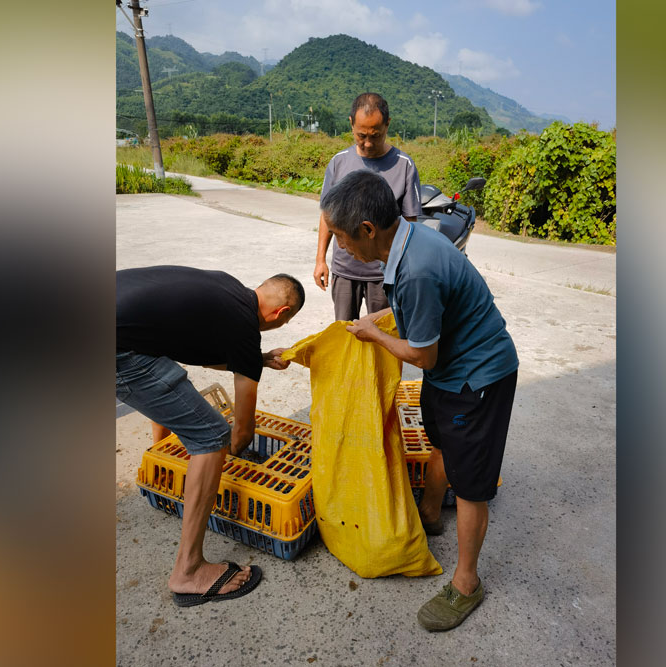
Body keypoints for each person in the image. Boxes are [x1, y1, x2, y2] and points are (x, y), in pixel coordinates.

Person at [320, 170, 519, 631]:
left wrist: (374, 333)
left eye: (341, 238)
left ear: (367, 229)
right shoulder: (408, 239)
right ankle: (430, 512)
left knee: (470, 487)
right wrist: (379, 319)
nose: (340, 248)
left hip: (477, 377)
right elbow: (420, 315)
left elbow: (423, 356)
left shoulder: (417, 269)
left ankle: (466, 583)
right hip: (450, 371)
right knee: (439, 440)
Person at [116, 266, 305, 606]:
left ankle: (162, 450)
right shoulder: (245, 329)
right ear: (281, 313)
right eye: (285, 322)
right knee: (211, 435)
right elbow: (242, 432)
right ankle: (188, 571)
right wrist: (228, 458)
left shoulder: (226, 288)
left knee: (165, 370)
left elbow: (203, 354)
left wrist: (257, 360)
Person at [313, 92, 422, 321]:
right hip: (345, 270)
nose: (368, 143)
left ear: (387, 124)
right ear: (351, 124)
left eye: (376, 135)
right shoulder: (339, 162)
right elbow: (327, 215)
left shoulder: (404, 166)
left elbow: (411, 224)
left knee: (383, 333)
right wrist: (320, 259)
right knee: (344, 332)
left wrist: (404, 270)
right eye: (361, 136)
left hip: (384, 274)